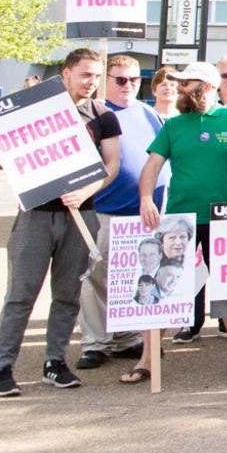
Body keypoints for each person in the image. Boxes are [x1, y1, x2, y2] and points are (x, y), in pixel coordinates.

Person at [129, 62, 227, 383]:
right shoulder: (174, 126)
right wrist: (147, 199)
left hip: (224, 217)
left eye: (186, 83)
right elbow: (151, 166)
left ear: (205, 86)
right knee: (163, 290)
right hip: (181, 219)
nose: (179, 88)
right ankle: (147, 359)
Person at [0, 50, 117, 396]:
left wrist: (85, 192)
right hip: (36, 214)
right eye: (85, 75)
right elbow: (3, 147)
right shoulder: (36, 109)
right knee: (21, 294)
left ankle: (55, 362)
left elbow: (112, 165)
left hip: (81, 214)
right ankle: (2, 367)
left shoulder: (103, 115)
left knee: (68, 294)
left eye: (96, 75)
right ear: (66, 74)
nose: (91, 82)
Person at [77, 54, 161, 370]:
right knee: (98, 277)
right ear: (107, 80)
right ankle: (95, 343)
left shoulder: (149, 113)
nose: (128, 85)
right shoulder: (93, 114)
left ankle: (126, 338)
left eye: (135, 80)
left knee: (132, 278)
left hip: (144, 214)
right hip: (105, 210)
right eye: (121, 79)